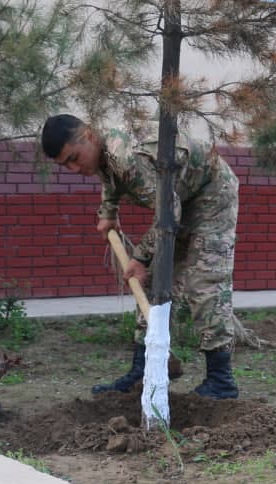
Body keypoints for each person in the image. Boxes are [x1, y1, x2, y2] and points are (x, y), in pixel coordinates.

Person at [40, 114, 240, 399]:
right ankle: (145, 369)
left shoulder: (127, 156)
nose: (73, 169)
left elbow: (168, 213)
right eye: (64, 165)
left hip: (211, 194)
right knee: (151, 284)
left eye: (73, 158)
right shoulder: (103, 153)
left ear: (88, 136)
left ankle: (221, 381)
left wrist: (141, 257)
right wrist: (108, 213)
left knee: (204, 284)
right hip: (181, 198)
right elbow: (109, 176)